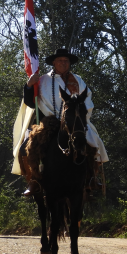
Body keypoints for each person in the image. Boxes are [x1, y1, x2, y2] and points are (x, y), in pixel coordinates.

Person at [17, 47, 108, 192]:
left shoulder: (78, 80)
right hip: (49, 122)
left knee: (94, 142)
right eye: (60, 60)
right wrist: (29, 85)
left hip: (75, 122)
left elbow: (87, 102)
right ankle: (34, 180)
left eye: (66, 61)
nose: (64, 63)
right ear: (54, 62)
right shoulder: (42, 80)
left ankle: (91, 177)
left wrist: (80, 118)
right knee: (26, 147)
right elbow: (30, 102)